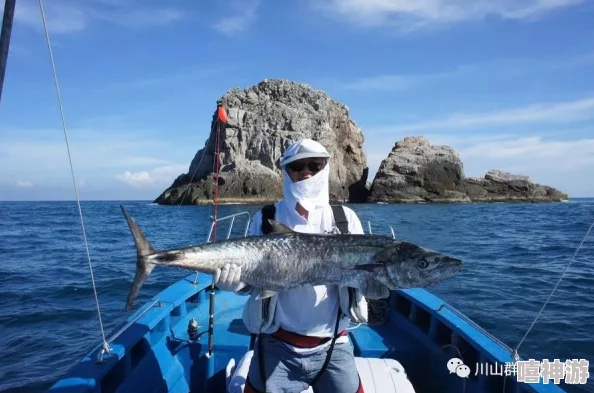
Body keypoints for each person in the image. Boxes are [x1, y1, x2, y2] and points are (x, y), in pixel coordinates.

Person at [213, 138, 390, 393]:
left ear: (325, 168)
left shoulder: (345, 219)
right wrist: (236, 284)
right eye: (297, 166)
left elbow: (364, 276)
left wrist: (373, 286)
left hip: (334, 345)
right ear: (287, 172)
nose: (306, 172)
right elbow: (249, 280)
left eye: (314, 165)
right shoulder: (265, 218)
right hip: (276, 344)